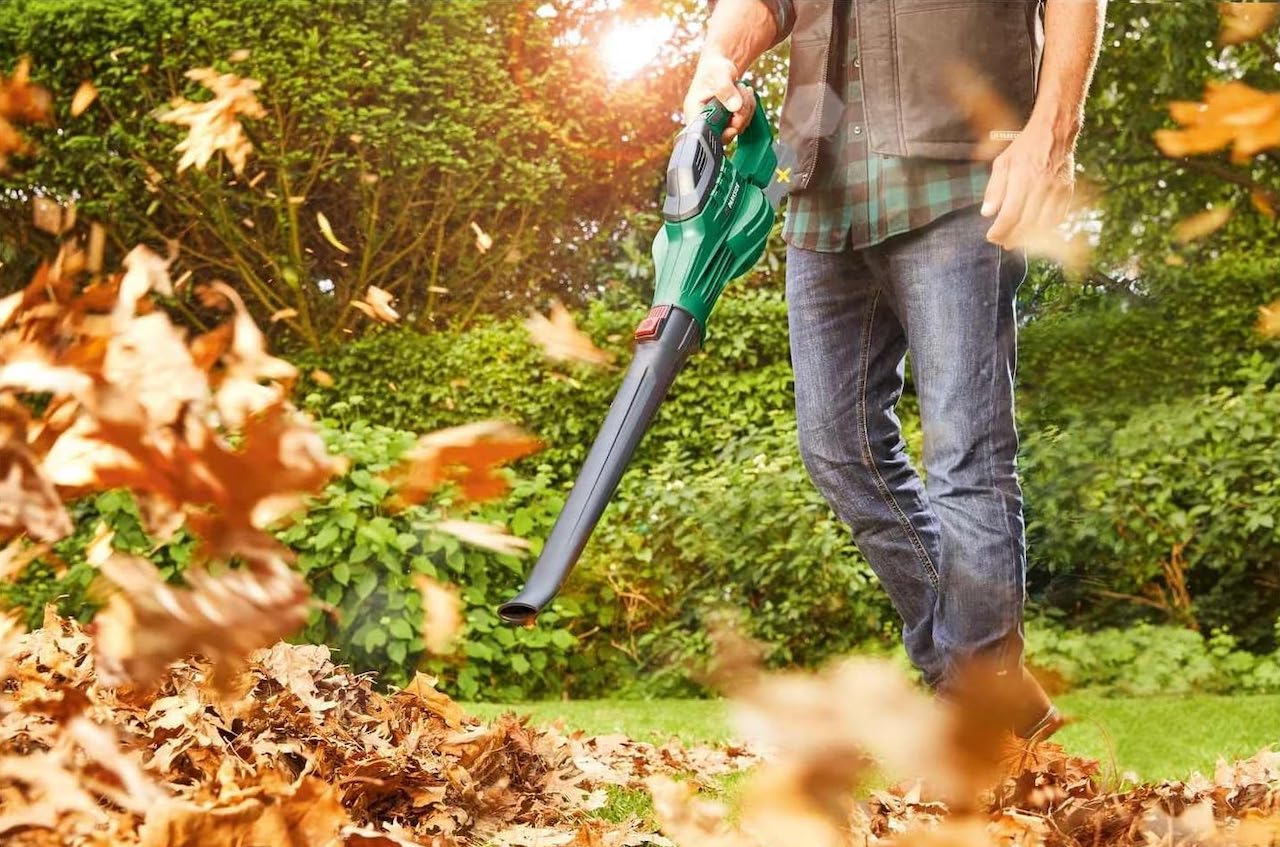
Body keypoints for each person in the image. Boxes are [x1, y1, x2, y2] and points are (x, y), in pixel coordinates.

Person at [684, 0, 1105, 740]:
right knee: (838, 449)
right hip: (825, 181)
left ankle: (981, 730)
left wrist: (1053, 131)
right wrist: (719, 57)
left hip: (963, 172)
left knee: (966, 459)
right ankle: (983, 692)